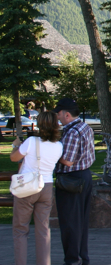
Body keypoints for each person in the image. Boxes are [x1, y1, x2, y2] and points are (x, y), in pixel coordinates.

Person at [11, 111, 63, 265]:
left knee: (21, 229)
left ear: (40, 124)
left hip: (27, 186)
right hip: (46, 186)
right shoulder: (59, 146)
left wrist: (15, 146)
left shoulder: (31, 141)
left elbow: (14, 158)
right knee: (43, 230)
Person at [54, 98, 95, 265]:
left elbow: (68, 160)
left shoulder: (71, 132)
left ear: (67, 114)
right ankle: (82, 256)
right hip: (85, 176)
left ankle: (72, 259)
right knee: (82, 221)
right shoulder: (85, 127)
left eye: (58, 114)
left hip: (71, 180)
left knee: (70, 221)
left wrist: (51, 153)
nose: (57, 117)